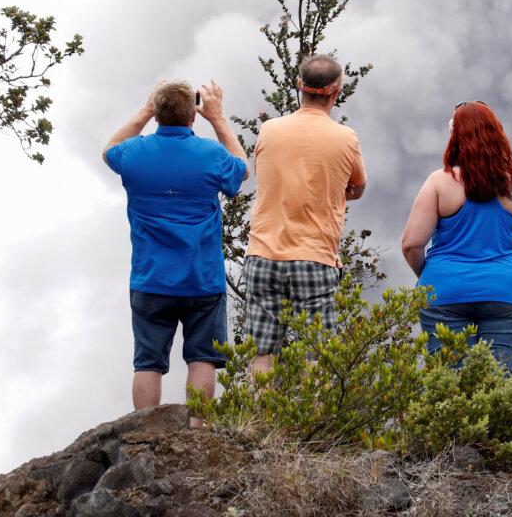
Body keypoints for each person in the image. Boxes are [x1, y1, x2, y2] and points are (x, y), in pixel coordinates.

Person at [103, 80, 249, 427]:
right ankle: (196, 435)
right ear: (192, 118)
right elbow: (240, 168)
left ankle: (144, 436)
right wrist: (218, 119)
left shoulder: (134, 155)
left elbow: (110, 148)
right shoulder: (211, 157)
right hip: (202, 279)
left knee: (148, 362)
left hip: (150, 277)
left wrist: (144, 109)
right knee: (202, 358)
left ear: (156, 113)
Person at [245, 54, 367, 373]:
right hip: (314, 256)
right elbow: (357, 187)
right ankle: (314, 423)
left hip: (263, 254)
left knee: (262, 352)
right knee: (318, 354)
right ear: (336, 90)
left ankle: (257, 424)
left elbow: (264, 175)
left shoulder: (269, 130)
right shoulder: (346, 138)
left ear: (299, 86)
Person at [400, 100, 512, 371]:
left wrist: (431, 276)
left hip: (445, 292)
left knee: (450, 389)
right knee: (498, 388)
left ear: (455, 137)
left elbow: (412, 244)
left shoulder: (440, 181)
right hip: (504, 291)